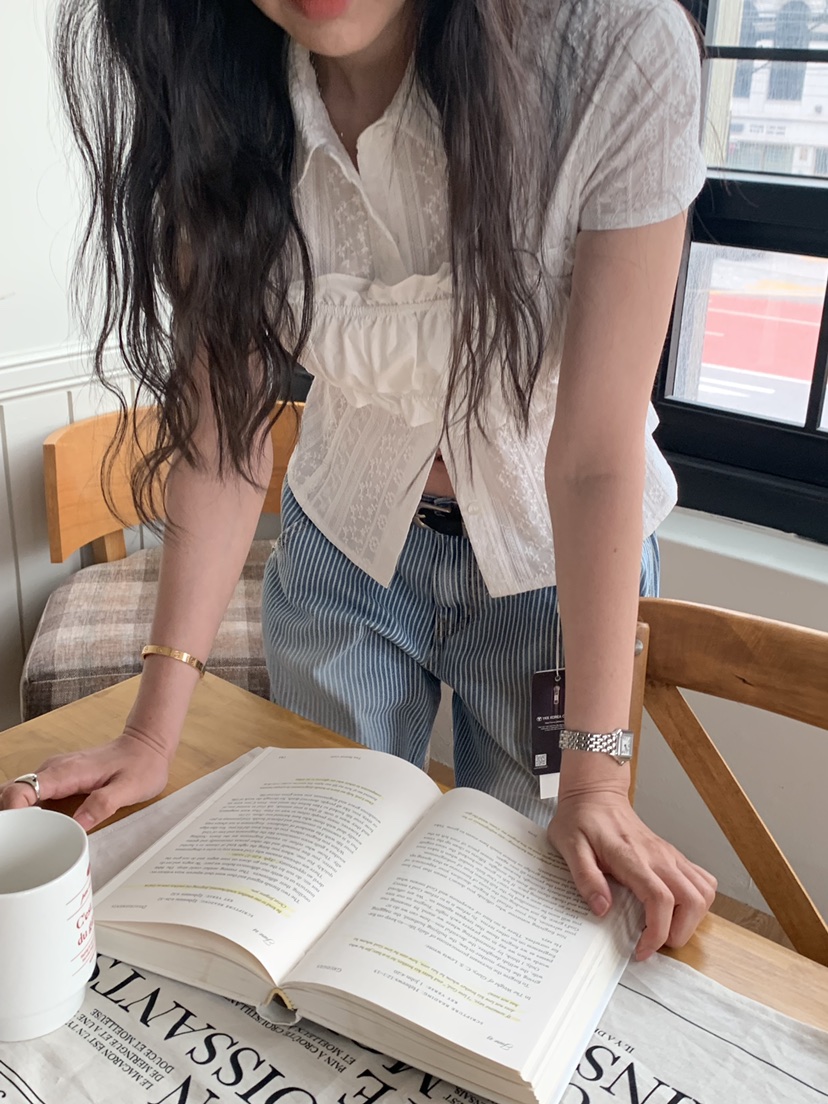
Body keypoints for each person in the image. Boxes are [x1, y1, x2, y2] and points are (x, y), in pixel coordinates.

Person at [3, 0, 717, 959]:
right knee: (315, 875)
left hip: (560, 580)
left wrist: (594, 781)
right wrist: (150, 734)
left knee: (526, 909)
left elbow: (592, 458)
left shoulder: (612, 49)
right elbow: (222, 434)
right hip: (343, 555)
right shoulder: (220, 82)